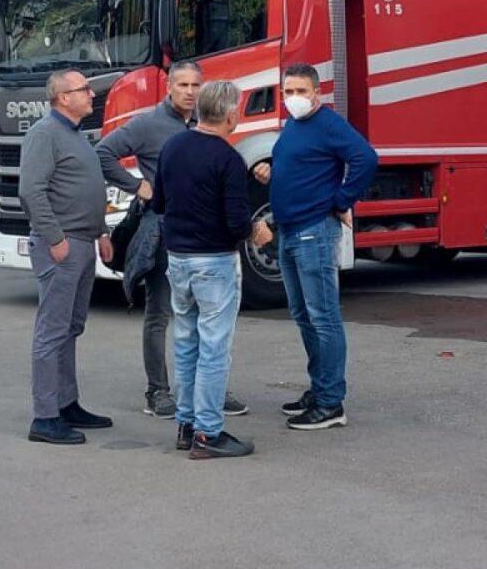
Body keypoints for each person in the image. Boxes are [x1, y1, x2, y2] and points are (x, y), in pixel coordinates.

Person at [153, 80, 271, 459]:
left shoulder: (173, 146)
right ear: (232, 114)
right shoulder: (228, 158)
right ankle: (208, 432)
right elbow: (238, 221)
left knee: (186, 343)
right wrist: (258, 230)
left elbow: (158, 202)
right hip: (214, 262)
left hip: (178, 258)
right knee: (214, 348)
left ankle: (186, 425)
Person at [260, 63, 375, 432]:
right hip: (291, 231)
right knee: (304, 315)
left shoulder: (328, 124)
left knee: (322, 316)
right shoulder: (294, 126)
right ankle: (319, 388)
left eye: (300, 91)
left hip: (314, 231)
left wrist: (341, 200)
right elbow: (299, 167)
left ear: (316, 92)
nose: (293, 98)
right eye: (288, 92)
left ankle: (330, 402)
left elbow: (366, 158)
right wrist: (270, 170)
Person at [97, 59, 202, 418]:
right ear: (169, 87)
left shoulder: (204, 124)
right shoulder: (148, 124)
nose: (190, 92)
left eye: (195, 86)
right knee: (159, 313)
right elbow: (103, 153)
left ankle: (206, 388)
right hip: (162, 230)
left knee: (202, 314)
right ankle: (157, 391)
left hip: (200, 232)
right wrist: (137, 186)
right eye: (183, 85)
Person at [23, 68, 114, 446]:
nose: (91, 94)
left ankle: (66, 403)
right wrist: (55, 238)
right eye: (83, 90)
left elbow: (86, 189)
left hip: (83, 242)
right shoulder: (44, 133)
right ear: (63, 97)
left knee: (71, 328)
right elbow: (31, 191)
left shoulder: (75, 135)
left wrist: (102, 231)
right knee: (52, 331)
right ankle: (45, 417)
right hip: (61, 247)